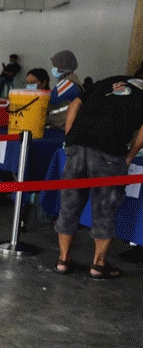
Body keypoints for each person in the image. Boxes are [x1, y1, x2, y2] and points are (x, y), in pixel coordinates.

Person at [54, 69, 143, 279]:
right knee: (104, 210)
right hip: (109, 154)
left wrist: (71, 138)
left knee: (69, 205)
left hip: (77, 148)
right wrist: (130, 155)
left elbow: (74, 105)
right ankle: (98, 265)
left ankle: (63, 260)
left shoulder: (108, 80)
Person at [47, 50, 83, 128]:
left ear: (62, 67)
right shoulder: (69, 82)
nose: (53, 68)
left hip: (63, 128)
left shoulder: (68, 84)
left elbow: (48, 101)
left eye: (55, 66)